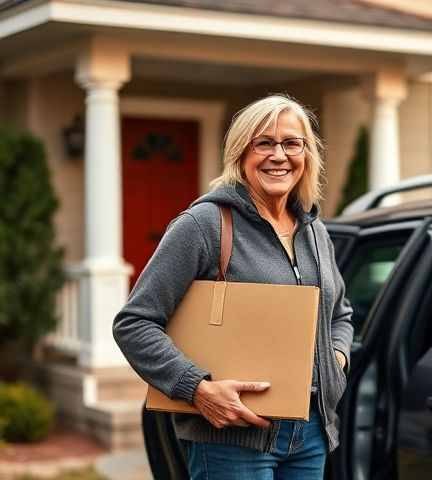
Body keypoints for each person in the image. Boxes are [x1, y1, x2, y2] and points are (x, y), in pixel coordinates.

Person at [113, 94, 354, 479]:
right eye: (265, 143)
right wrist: (197, 389)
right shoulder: (204, 225)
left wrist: (335, 362)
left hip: (310, 434)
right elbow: (134, 323)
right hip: (230, 439)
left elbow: (340, 313)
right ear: (241, 154)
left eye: (292, 143)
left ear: (307, 155)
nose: (279, 155)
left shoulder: (314, 232)